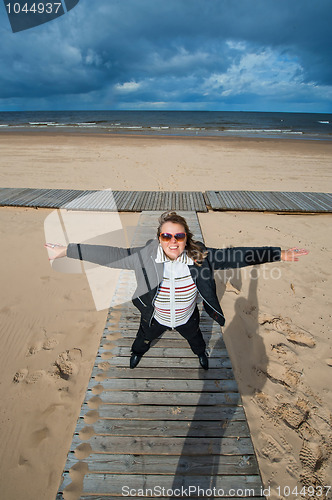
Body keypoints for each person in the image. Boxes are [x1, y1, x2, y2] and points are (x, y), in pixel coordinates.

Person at [45, 211, 308, 370]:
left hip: (186, 318)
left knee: (196, 340)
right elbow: (110, 255)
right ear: (159, 238)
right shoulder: (144, 257)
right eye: (167, 236)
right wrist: (65, 250)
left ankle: (200, 355)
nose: (173, 241)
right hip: (155, 317)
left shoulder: (201, 257)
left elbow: (239, 255)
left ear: (187, 238)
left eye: (179, 236)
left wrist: (280, 254)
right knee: (142, 339)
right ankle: (138, 352)